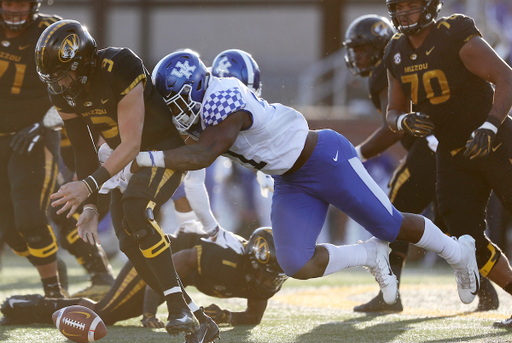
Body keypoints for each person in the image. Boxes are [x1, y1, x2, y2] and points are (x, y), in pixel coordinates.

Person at [132, 50, 480, 310]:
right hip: (289, 179)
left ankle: (458, 252)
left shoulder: (225, 99)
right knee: (294, 262)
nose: (176, 111)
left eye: (178, 102)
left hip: (323, 157)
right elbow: (191, 167)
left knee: (390, 224)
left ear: (194, 88)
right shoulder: (200, 108)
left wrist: (141, 157)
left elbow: (202, 156)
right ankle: (370, 256)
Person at [34, 19, 212, 336]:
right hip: (122, 161)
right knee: (128, 240)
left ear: (82, 61)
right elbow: (84, 152)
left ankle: (178, 309)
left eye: (62, 75)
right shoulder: (62, 94)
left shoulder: (120, 64)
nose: (59, 84)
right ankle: (191, 311)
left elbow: (132, 142)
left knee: (135, 210)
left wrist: (88, 185)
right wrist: (90, 208)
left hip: (162, 151)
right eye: (53, 78)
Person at [344, 14, 499, 313]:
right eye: (357, 50)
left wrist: (357, 154)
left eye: (364, 49)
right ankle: (487, 291)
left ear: (380, 47)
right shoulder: (398, 62)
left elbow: (394, 127)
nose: (359, 56)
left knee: (393, 211)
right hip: (441, 147)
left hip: (433, 149)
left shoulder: (388, 67)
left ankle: (390, 294)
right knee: (452, 229)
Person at [383, 0, 512, 327]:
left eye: (410, 6)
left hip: (494, 141)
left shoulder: (453, 34)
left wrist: (490, 124)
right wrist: (404, 121)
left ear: (429, 7)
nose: (403, 14)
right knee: (465, 240)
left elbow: (505, 77)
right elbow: (392, 110)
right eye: (398, 7)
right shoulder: (396, 51)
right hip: (454, 154)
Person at [0, 226, 286, 343]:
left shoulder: (262, 281)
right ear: (251, 261)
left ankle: (30, 306)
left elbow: (253, 317)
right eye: (266, 274)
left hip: (172, 276)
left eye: (274, 276)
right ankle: (26, 306)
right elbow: (167, 269)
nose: (268, 282)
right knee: (107, 314)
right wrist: (149, 311)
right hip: (155, 257)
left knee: (110, 308)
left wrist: (226, 315)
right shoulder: (224, 261)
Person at [0, 0, 67, 298]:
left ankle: (54, 293)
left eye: (21, 3)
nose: (14, 10)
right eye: (7, 3)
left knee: (30, 217)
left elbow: (78, 85)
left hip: (33, 137)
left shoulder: (51, 32)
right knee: (12, 232)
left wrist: (45, 122)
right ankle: (52, 268)